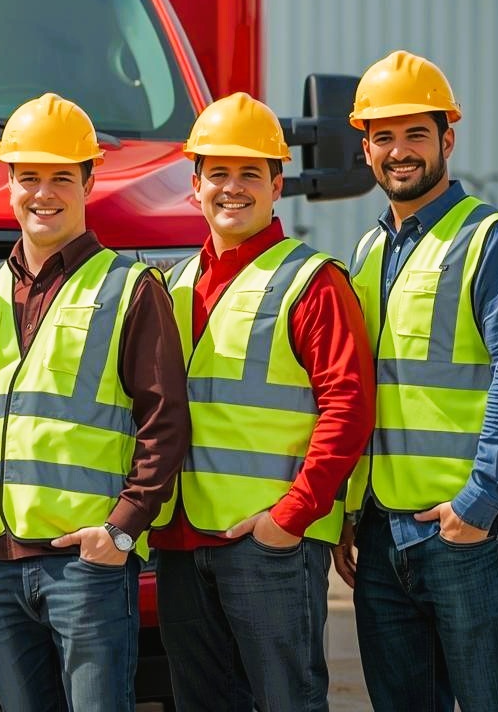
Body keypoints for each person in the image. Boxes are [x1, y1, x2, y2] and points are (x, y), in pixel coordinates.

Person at [0, 93, 190, 711]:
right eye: (28, 178)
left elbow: (165, 421)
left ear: (88, 181)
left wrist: (122, 531)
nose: (42, 193)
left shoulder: (129, 287)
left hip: (87, 565)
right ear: (9, 182)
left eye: (60, 178)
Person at [334, 50, 498, 712]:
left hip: (470, 528)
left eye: (416, 135)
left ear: (447, 139)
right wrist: (350, 511)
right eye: (384, 137)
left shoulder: (495, 242)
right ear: (365, 148)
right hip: (382, 531)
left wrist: (479, 504)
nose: (400, 151)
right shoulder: (369, 251)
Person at [152, 92, 375, 711]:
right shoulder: (171, 287)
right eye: (218, 173)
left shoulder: (311, 281)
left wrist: (290, 519)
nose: (232, 188)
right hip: (180, 541)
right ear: (194, 184)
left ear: (278, 185)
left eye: (251, 173)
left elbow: (348, 409)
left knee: (287, 702)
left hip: (268, 545)